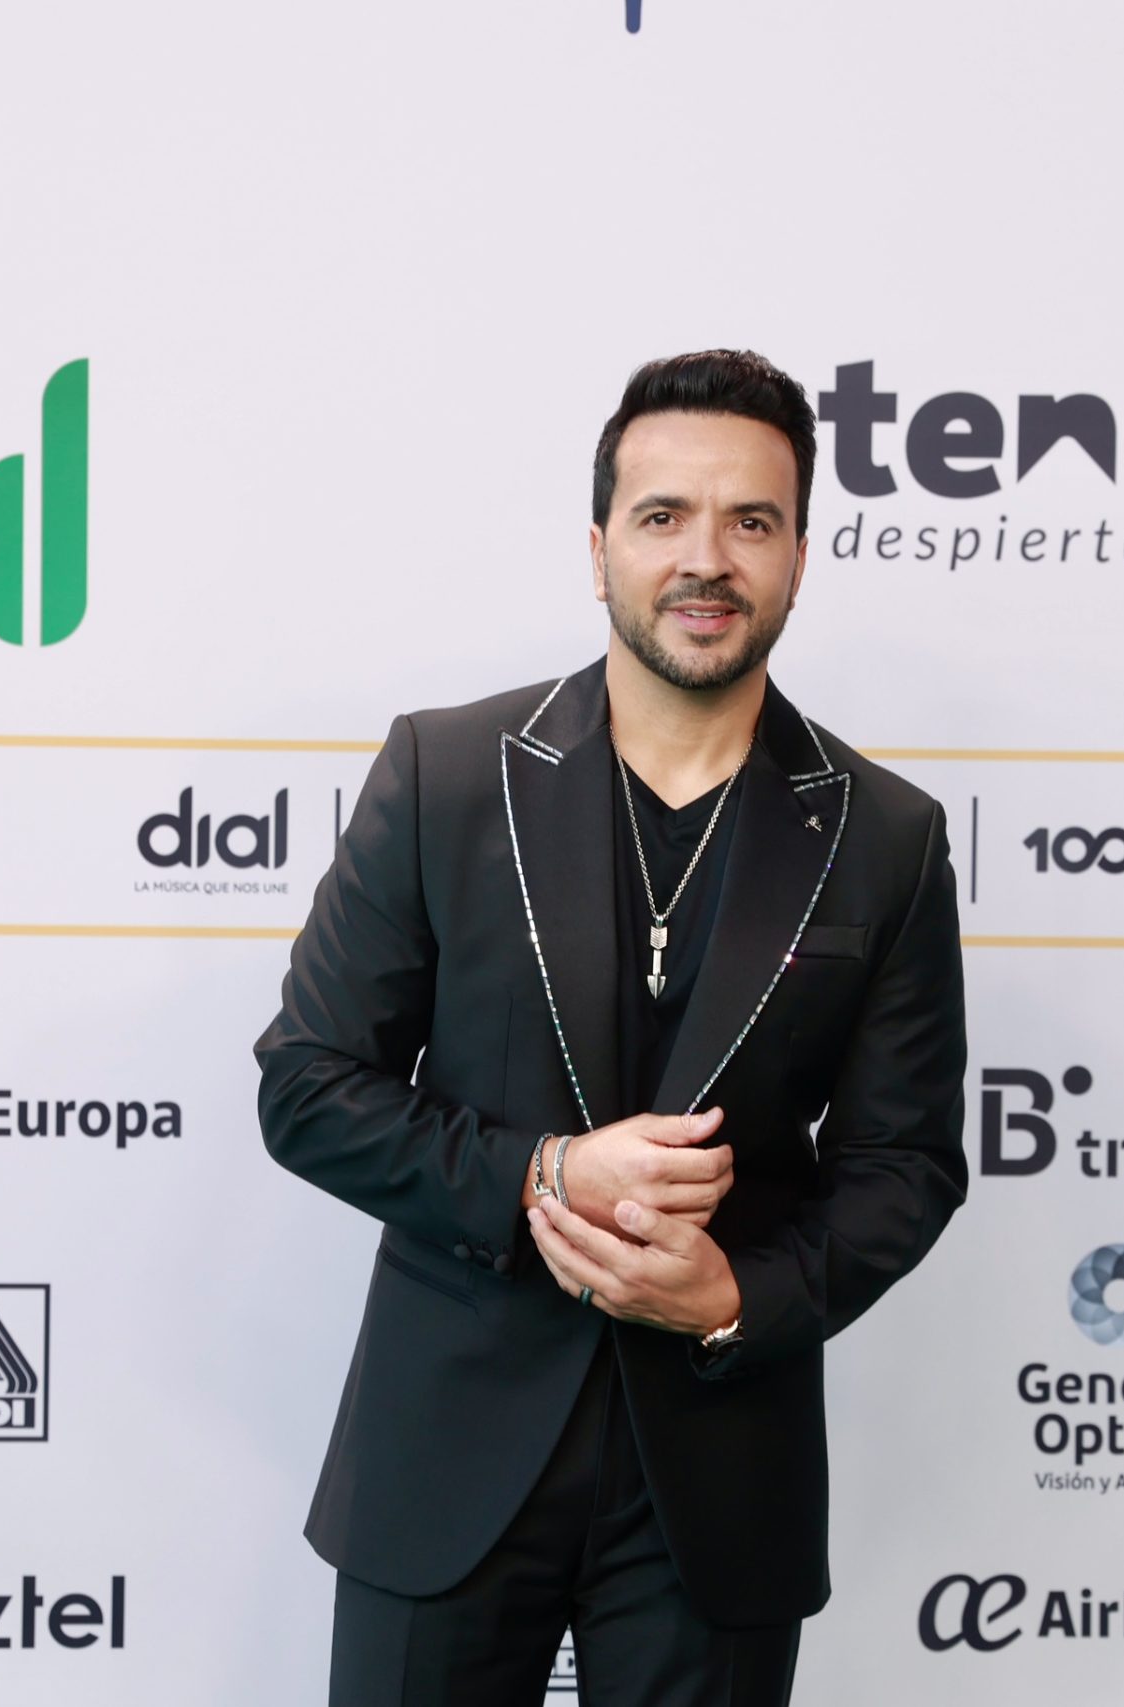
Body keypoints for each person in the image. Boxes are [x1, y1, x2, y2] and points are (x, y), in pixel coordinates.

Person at [257, 349, 968, 1706]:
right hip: (450, 1452)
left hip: (718, 1475)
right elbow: (310, 1084)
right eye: (664, 518)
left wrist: (738, 1299)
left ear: (800, 555)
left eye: (750, 521)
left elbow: (908, 1165)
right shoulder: (449, 774)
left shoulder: (885, 839)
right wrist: (542, 1178)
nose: (707, 559)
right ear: (599, 551)